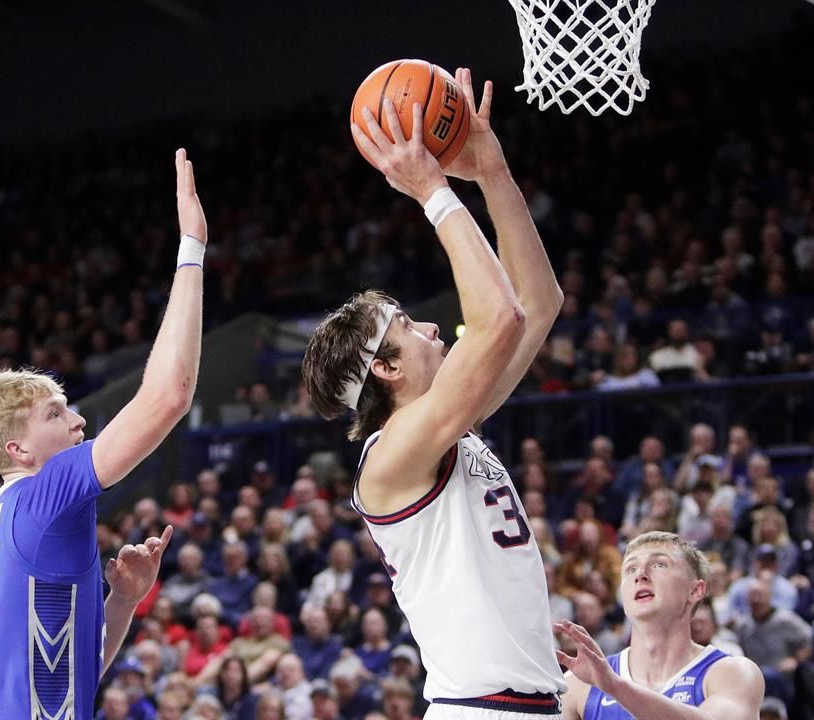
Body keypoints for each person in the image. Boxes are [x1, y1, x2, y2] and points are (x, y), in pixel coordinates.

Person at [303, 68, 566, 715]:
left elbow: (539, 302)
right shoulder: (390, 459)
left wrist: (494, 176)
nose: (427, 327)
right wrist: (433, 191)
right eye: (405, 326)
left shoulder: (452, 423)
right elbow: (499, 319)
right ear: (386, 369)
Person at [0, 148, 208, 720]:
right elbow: (169, 395)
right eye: (57, 415)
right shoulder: (44, 493)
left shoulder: (1, 521)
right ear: (19, 450)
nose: (80, 420)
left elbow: (65, 682)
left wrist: (123, 601)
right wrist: (192, 250)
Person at [556, 531, 764, 719]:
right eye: (631, 568)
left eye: (659, 564)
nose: (640, 575)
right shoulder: (578, 685)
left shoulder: (731, 673)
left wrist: (617, 688)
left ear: (695, 590)